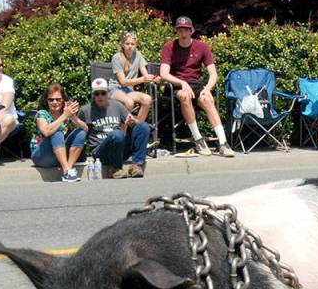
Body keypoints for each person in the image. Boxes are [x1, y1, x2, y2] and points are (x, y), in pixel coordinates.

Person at [159, 16, 234, 157]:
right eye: (180, 30)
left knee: (207, 99)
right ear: (176, 31)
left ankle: (223, 143)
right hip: (177, 85)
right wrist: (182, 83)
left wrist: (207, 89)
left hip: (197, 84)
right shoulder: (169, 47)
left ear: (191, 30)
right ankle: (198, 139)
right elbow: (163, 74)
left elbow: (213, 74)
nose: (183, 33)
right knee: (184, 95)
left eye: (186, 30)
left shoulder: (202, 47)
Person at [80, 77, 151, 178]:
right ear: (93, 95)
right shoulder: (85, 110)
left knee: (143, 126)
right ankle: (115, 168)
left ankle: (137, 166)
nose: (100, 96)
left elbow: (132, 123)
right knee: (116, 134)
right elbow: (79, 132)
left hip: (119, 147)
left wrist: (132, 121)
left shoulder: (117, 105)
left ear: (108, 92)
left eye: (103, 93)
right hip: (101, 151)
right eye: (97, 94)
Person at [32, 83, 86, 182]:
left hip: (59, 156)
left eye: (58, 99)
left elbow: (85, 129)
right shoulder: (42, 114)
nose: (54, 102)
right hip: (42, 156)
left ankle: (68, 169)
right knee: (57, 132)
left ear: (63, 100)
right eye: (51, 99)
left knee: (80, 132)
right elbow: (47, 132)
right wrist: (65, 116)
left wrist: (73, 116)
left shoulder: (65, 115)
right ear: (46, 101)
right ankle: (66, 170)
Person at [110, 31, 156, 124]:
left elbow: (145, 74)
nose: (130, 46)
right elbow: (123, 82)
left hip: (128, 90)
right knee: (129, 102)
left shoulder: (138, 55)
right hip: (115, 89)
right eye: (127, 43)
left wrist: (153, 79)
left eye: (132, 44)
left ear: (136, 45)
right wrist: (143, 79)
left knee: (147, 99)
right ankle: (123, 133)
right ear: (122, 44)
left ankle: (137, 128)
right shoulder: (117, 57)